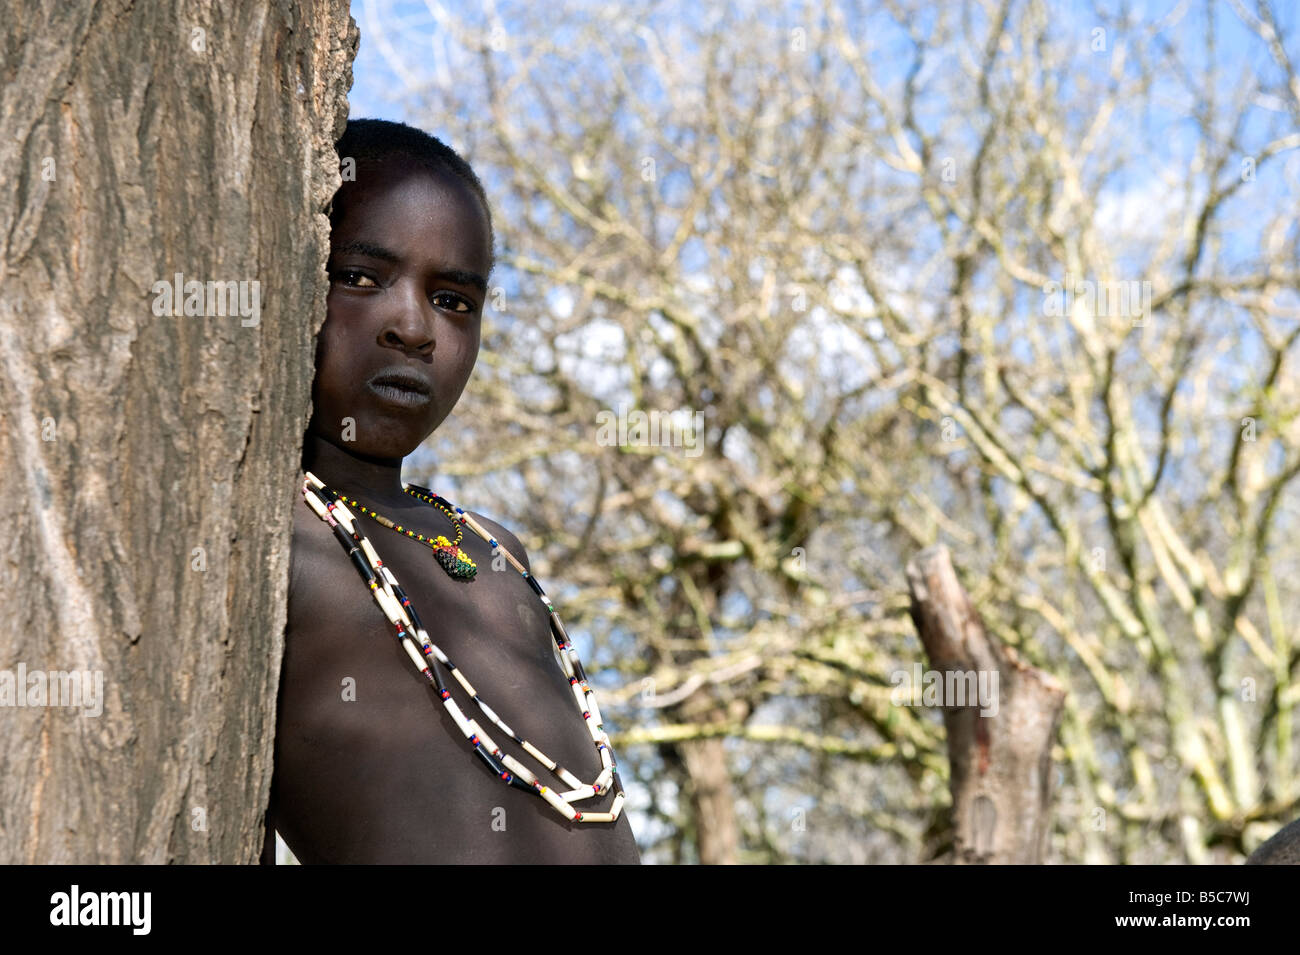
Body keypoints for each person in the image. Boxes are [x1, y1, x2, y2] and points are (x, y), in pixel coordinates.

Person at [262, 119, 640, 863]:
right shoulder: (271, 535)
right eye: (361, 277)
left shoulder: (495, 547)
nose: (413, 326)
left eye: (454, 300)